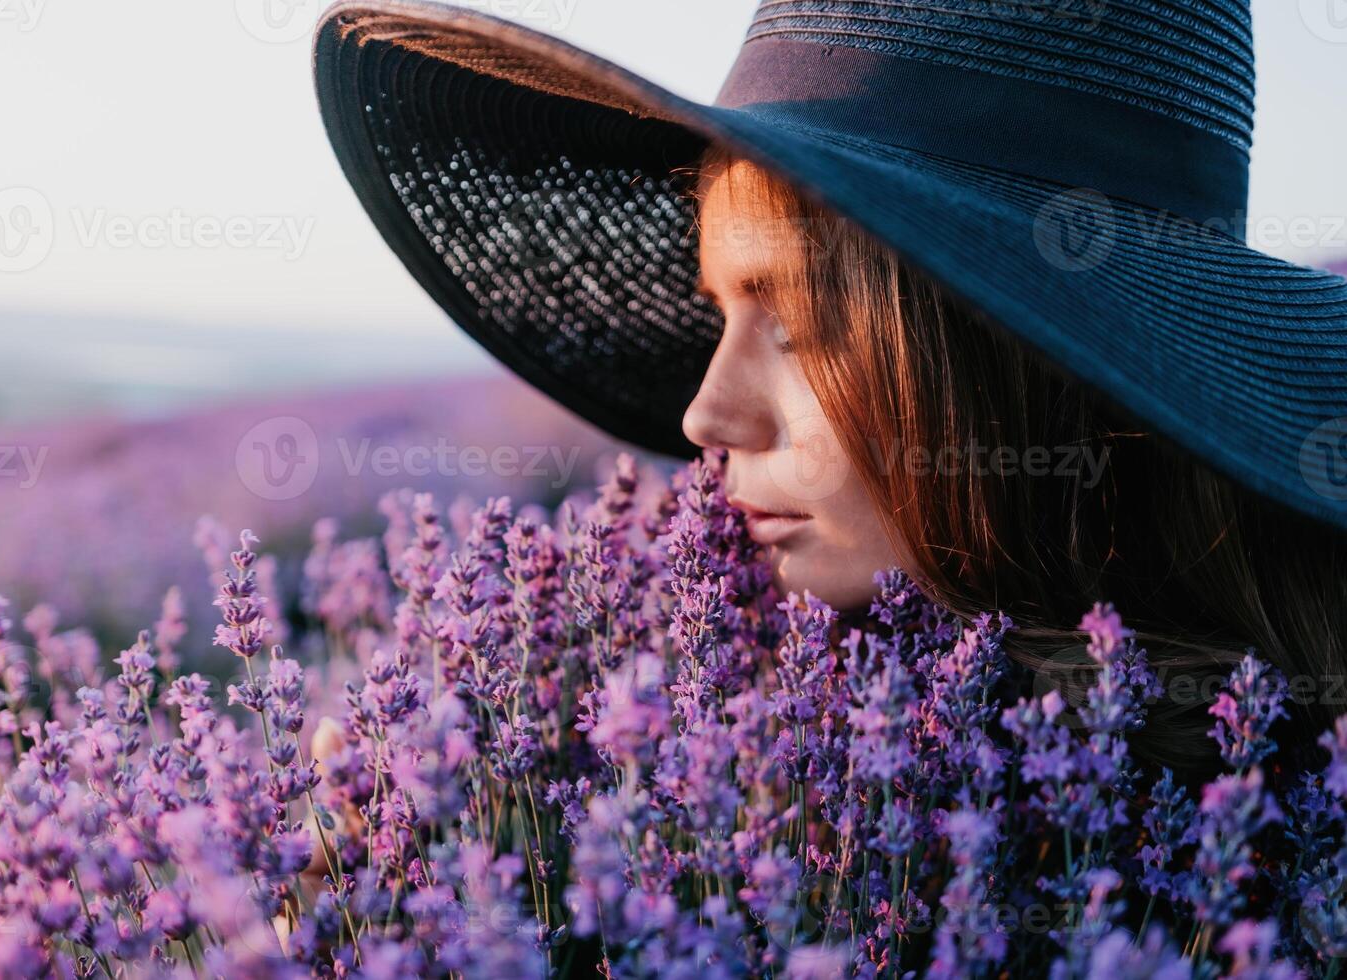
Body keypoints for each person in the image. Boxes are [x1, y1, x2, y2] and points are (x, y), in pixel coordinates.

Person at [313, 0, 1347, 776]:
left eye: (800, 324)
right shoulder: (758, 723)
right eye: (723, 314)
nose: (707, 415)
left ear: (1034, 359)